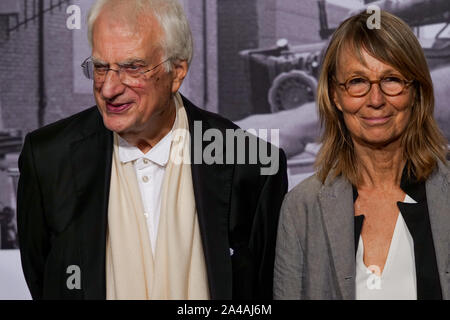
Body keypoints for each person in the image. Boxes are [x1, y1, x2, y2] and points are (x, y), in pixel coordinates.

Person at [17, 0, 287, 300]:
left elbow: (261, 296)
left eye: (132, 67)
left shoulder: (251, 165)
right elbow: (44, 280)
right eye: (100, 67)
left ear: (177, 72)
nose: (108, 89)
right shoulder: (47, 159)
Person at [274, 10, 449, 300]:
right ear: (335, 95)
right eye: (357, 81)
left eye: (392, 79)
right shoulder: (301, 208)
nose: (376, 99)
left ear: (416, 91)